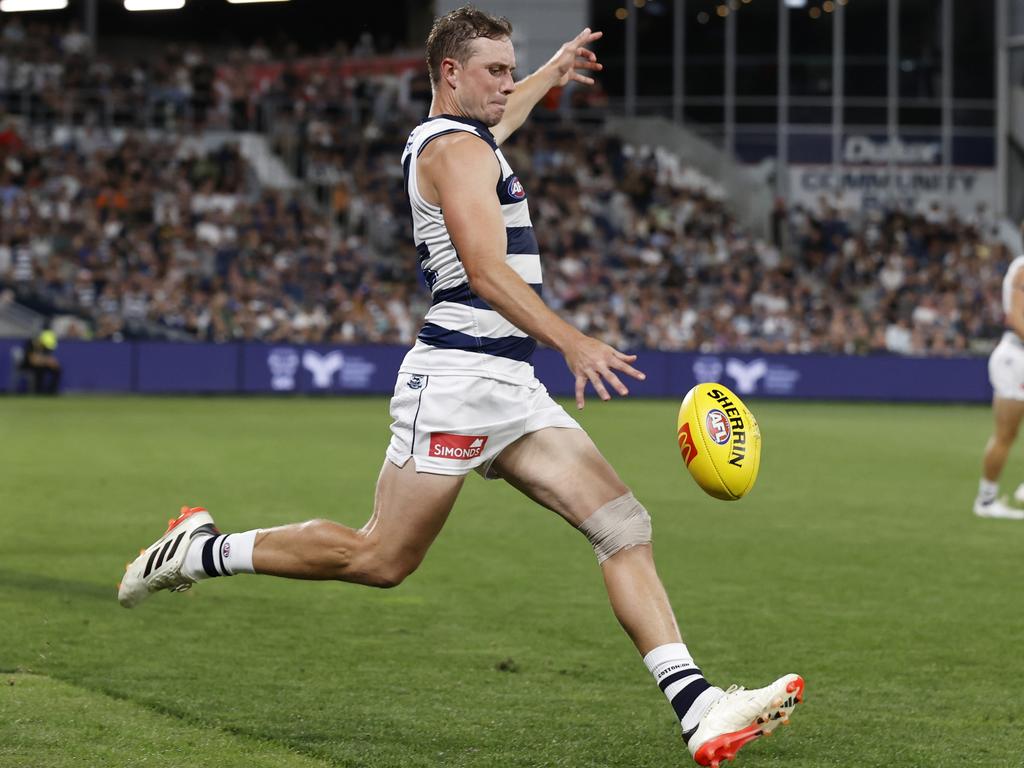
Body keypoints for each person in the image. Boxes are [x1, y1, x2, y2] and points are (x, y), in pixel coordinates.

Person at [118, 8, 804, 766]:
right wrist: (572, 341)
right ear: (451, 73)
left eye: (512, 70)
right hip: (457, 380)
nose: (508, 83)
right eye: (496, 71)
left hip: (507, 383)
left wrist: (547, 77)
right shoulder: (455, 149)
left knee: (623, 526)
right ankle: (201, 549)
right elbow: (484, 272)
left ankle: (697, 707)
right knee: (380, 558)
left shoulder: (464, 140)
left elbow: (499, 122)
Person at [974, 249, 1024, 520]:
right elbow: (1016, 319)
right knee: (1006, 434)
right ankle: (986, 501)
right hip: (1016, 358)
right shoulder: (1022, 267)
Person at [19, 329, 61, 395]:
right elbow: (32, 360)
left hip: (42, 365)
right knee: (39, 370)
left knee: (57, 369)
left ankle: (52, 391)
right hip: (28, 365)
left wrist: (52, 362)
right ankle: (38, 391)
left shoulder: (46, 346)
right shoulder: (30, 343)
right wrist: (46, 361)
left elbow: (48, 358)